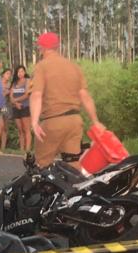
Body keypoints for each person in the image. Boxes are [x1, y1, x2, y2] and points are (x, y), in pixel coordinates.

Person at [29, 32, 100, 168]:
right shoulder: (74, 67)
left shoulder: (42, 66)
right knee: (73, 165)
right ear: (57, 47)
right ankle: (76, 188)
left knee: (42, 165)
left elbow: (36, 95)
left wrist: (34, 122)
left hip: (53, 122)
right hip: (74, 122)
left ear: (41, 48)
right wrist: (95, 121)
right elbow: (85, 95)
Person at [8, 65, 32, 153]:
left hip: (25, 107)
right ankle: (21, 149)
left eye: (22, 71)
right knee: (20, 129)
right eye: (18, 72)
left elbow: (26, 94)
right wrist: (15, 103)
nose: (20, 73)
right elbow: (10, 97)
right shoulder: (14, 83)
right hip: (16, 108)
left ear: (24, 72)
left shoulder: (27, 81)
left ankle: (28, 149)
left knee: (27, 129)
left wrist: (16, 100)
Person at [0, 68, 13, 151]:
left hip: (6, 106)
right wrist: (4, 93)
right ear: (3, 74)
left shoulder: (10, 84)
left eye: (10, 74)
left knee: (5, 127)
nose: (8, 75)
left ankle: (3, 147)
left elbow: (11, 97)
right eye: (7, 73)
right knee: (0, 126)